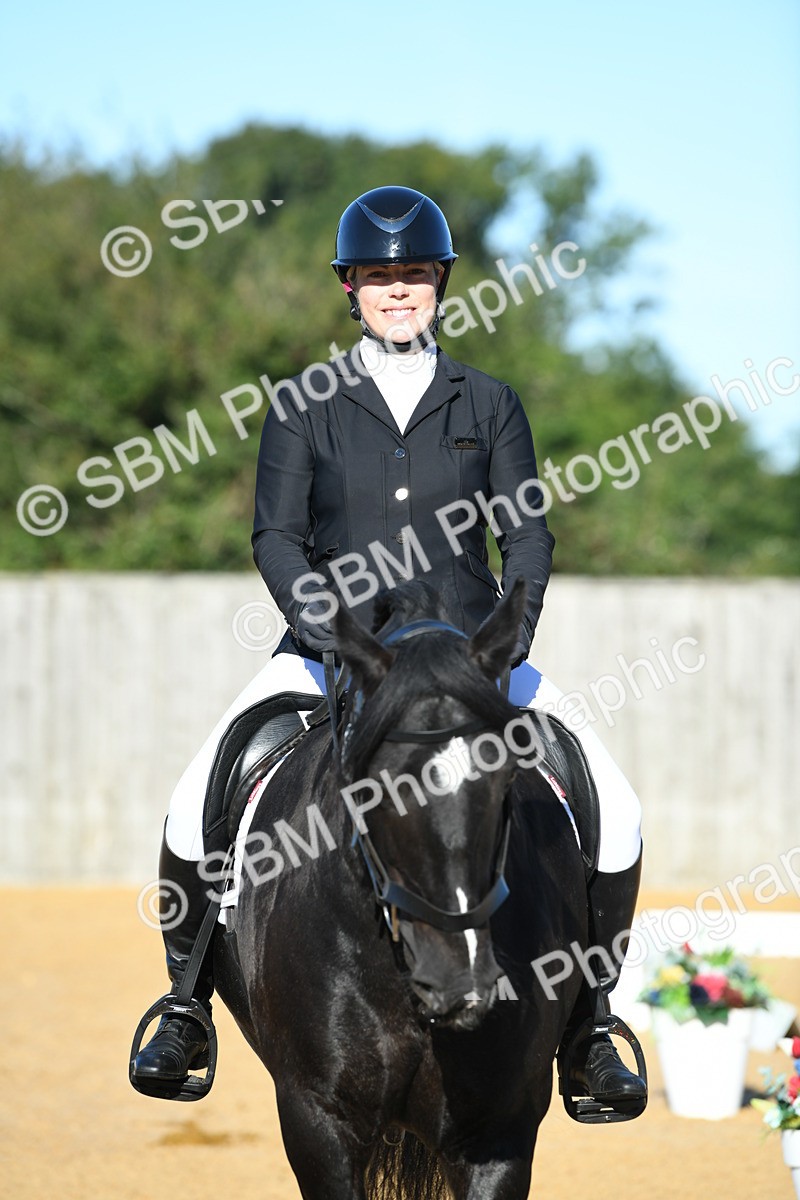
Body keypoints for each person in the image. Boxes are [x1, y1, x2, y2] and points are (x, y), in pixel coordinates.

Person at [132, 185, 646, 1110]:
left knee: (613, 796)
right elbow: (277, 539)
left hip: (469, 655)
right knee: (191, 798)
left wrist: (508, 641)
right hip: (334, 653)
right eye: (379, 277)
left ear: (441, 283)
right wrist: (334, 636)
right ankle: (185, 1005)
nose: (398, 291)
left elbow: (525, 535)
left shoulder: (489, 402)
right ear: (350, 289)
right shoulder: (304, 405)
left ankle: (592, 1024)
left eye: (413, 274)